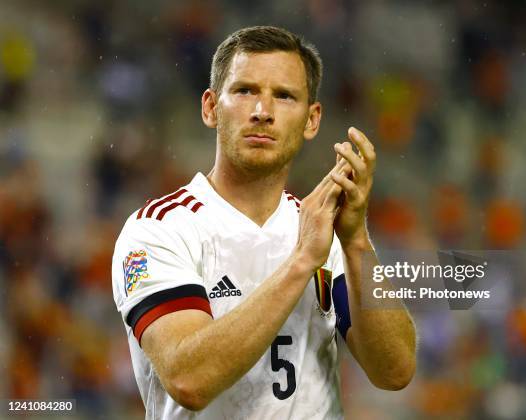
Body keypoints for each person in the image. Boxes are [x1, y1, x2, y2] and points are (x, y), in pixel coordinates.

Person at [112, 26, 416, 419]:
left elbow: (394, 371)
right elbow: (190, 380)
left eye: (284, 96)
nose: (262, 111)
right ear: (210, 108)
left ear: (312, 120)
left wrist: (356, 240)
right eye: (244, 91)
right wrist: (302, 261)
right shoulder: (157, 231)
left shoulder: (327, 233)